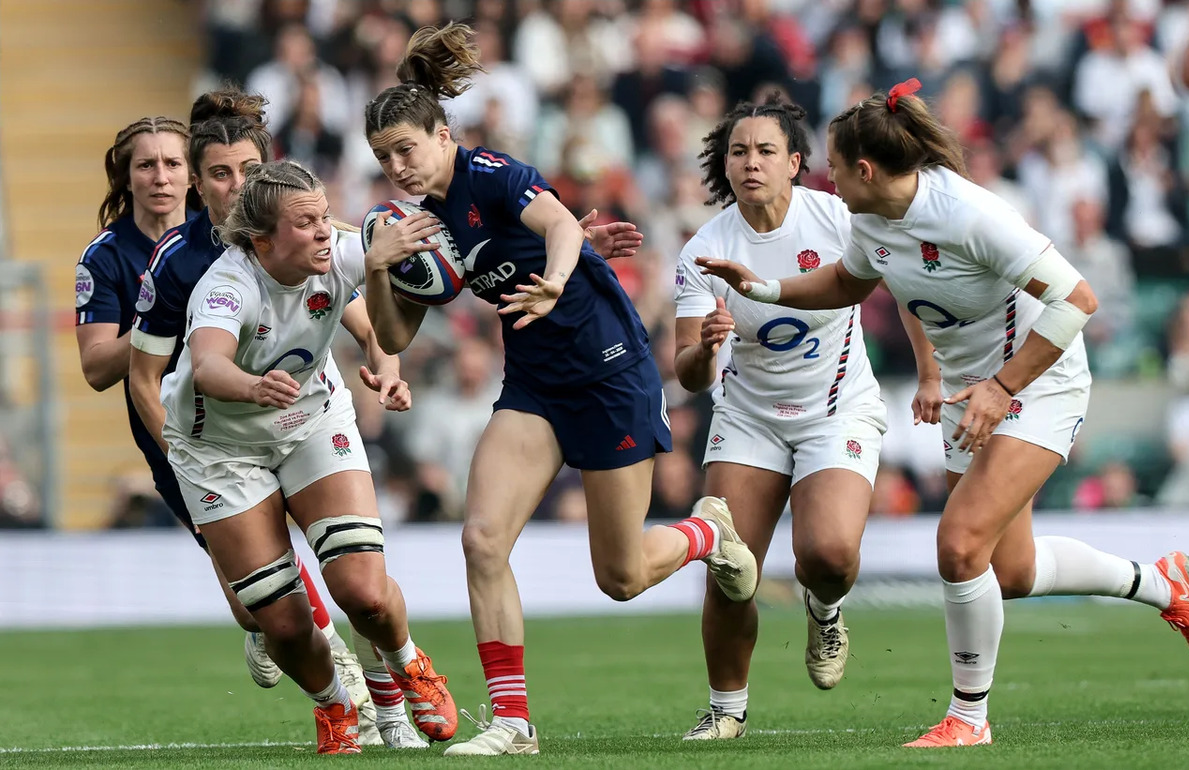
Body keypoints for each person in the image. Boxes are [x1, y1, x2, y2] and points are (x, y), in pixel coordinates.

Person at [696, 79, 1189, 748]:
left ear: (865, 169)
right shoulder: (872, 219)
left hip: (1036, 380)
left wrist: (1003, 387)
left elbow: (1077, 300)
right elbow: (847, 281)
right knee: (1009, 571)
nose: (828, 179)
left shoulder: (967, 213)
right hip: (973, 387)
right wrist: (763, 289)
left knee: (959, 547)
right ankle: (1163, 583)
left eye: (835, 167)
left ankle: (968, 718)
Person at [361, 22, 758, 756]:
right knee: (481, 540)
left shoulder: (490, 172)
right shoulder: (414, 227)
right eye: (384, 158)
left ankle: (707, 533)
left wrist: (555, 279)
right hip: (535, 386)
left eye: (406, 150)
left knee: (622, 577)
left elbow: (562, 228)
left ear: (442, 136)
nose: (397, 167)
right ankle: (513, 724)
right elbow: (393, 335)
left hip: (609, 371)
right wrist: (377, 268)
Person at [124, 89, 418, 748]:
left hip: (305, 420)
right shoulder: (180, 264)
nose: (236, 186)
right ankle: (325, 688)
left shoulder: (309, 233)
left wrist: (385, 363)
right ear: (198, 184)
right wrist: (188, 471)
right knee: (269, 612)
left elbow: (366, 314)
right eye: (219, 174)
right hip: (218, 446)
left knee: (358, 583)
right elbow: (143, 378)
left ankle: (388, 698)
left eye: (249, 170)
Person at [672, 94, 887, 740]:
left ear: (794, 163)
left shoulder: (837, 218)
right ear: (725, 164)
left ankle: (824, 609)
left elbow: (900, 285)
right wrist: (705, 347)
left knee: (828, 555)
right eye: (738, 151)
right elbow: (688, 373)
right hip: (749, 418)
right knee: (729, 571)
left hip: (837, 407)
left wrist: (931, 375)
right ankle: (725, 711)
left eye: (766, 150)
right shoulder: (705, 250)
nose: (750, 162)